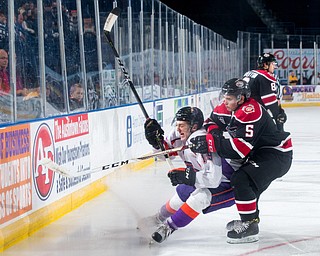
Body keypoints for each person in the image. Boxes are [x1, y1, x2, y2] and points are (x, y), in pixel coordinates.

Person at [190, 78, 293, 244]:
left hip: (276, 154)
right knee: (250, 186)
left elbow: (239, 151)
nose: (225, 101)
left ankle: (250, 226)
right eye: (225, 97)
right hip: (259, 153)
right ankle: (251, 221)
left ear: (241, 98)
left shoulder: (250, 111)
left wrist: (211, 143)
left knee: (241, 179)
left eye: (229, 98)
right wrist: (215, 134)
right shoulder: (227, 106)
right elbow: (211, 121)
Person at [142, 107, 235, 243]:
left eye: (182, 125)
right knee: (182, 193)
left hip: (228, 184)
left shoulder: (203, 141)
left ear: (194, 126)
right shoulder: (179, 134)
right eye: (177, 124)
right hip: (205, 177)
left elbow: (213, 180)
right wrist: (155, 142)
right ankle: (157, 219)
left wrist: (188, 176)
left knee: (200, 197)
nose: (178, 129)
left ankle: (168, 227)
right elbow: (166, 154)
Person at [243, 52, 287, 131]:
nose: (274, 66)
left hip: (242, 112)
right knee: (280, 116)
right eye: (272, 64)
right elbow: (271, 102)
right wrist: (279, 114)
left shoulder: (249, 73)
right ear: (266, 65)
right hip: (253, 114)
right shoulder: (266, 77)